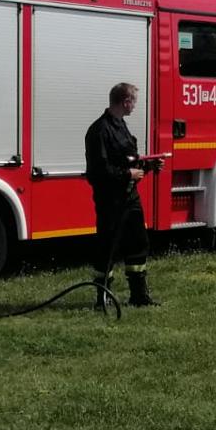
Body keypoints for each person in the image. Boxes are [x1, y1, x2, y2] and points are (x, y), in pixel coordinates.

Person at [85, 82, 159, 308]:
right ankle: (102, 298)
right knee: (108, 247)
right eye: (134, 101)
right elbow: (99, 171)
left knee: (138, 243)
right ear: (125, 101)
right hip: (111, 200)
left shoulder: (121, 126)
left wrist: (148, 165)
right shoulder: (99, 130)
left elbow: (128, 159)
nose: (135, 106)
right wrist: (128, 173)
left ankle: (139, 296)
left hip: (130, 198)